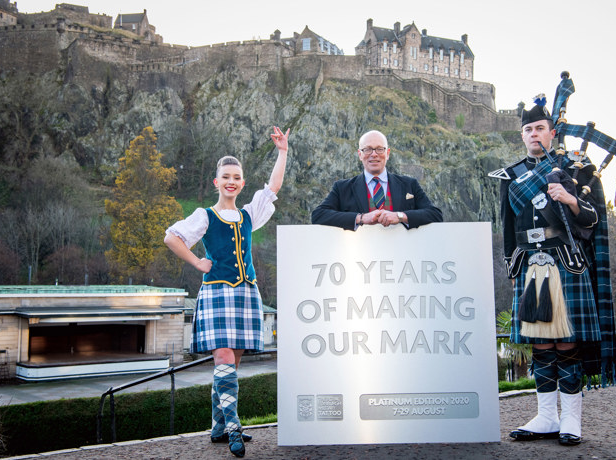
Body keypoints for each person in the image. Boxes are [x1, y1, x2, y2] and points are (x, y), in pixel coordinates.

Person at [493, 99, 616, 446]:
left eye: (540, 129)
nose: (534, 135)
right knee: (540, 342)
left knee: (567, 341)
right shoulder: (512, 174)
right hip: (531, 263)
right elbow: (507, 226)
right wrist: (512, 261)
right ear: (522, 135)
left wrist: (570, 199)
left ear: (552, 132)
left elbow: (593, 220)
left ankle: (571, 418)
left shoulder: (575, 167)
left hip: (566, 263)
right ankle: (547, 415)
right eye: (528, 130)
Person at [164, 126, 289, 457]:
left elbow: (273, 187)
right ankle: (234, 427)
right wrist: (197, 262)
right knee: (222, 359)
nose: (231, 181)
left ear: (242, 183)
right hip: (217, 292)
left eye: (237, 177)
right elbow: (171, 237)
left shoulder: (249, 215)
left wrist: (282, 152)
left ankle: (217, 427)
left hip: (247, 294)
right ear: (216, 182)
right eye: (226, 176)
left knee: (230, 365)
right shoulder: (204, 216)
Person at [311, 130, 443, 229]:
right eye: (368, 149)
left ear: (388, 153)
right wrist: (360, 218)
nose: (374, 154)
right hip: (359, 259)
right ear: (360, 154)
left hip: (403, 256)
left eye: (380, 149)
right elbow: (318, 215)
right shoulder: (342, 188)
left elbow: (435, 215)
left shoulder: (409, 184)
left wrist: (400, 216)